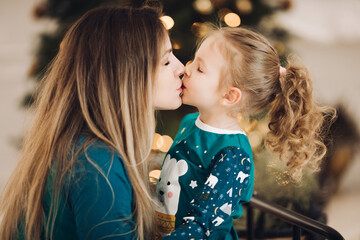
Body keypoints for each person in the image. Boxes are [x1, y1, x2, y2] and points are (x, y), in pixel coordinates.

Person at [0, 6, 185, 240]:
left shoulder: (81, 148)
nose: (182, 68)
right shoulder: (97, 165)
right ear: (125, 74)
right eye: (166, 61)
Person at [153, 26, 334, 239]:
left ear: (229, 96)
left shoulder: (233, 155)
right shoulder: (190, 121)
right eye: (193, 60)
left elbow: (202, 226)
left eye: (200, 68)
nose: (186, 69)